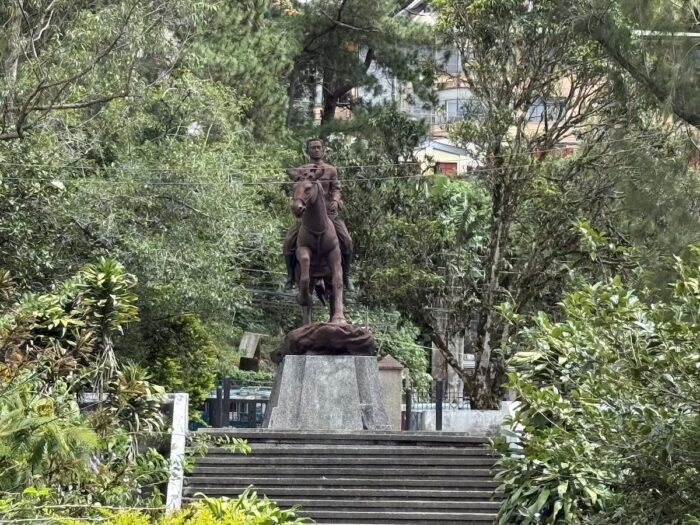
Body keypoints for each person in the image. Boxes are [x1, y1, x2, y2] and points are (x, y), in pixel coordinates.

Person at [283, 138, 354, 291]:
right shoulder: (301, 170)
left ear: (323, 149)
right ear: (307, 151)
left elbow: (337, 188)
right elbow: (298, 190)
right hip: (307, 216)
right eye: (312, 147)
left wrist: (335, 200)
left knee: (347, 240)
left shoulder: (330, 169)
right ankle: (290, 277)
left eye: (318, 147)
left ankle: (346, 276)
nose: (316, 150)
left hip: (329, 213)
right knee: (288, 241)